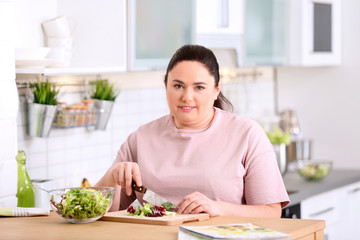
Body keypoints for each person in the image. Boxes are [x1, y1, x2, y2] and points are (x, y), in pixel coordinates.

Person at [96, 44, 289, 217]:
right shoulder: (141, 138)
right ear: (166, 87)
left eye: (199, 87)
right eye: (178, 86)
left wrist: (218, 208)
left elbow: (271, 212)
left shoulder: (247, 134)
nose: (187, 97)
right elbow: (107, 213)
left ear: (216, 90)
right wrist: (112, 177)